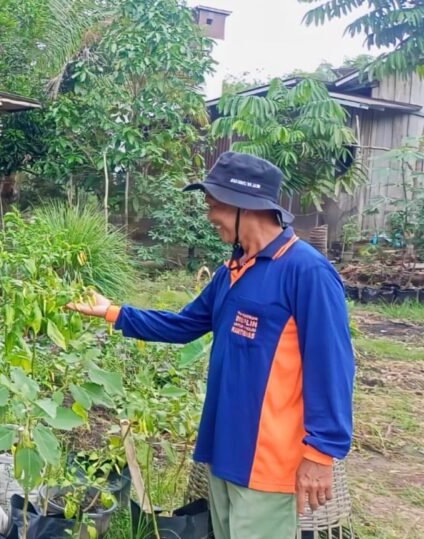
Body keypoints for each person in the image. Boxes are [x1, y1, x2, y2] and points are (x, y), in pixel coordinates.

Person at [69, 152, 355, 539]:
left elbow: (333, 367)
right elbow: (185, 324)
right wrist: (111, 312)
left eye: (214, 206)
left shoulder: (307, 272)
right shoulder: (234, 270)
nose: (210, 217)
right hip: (224, 449)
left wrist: (321, 454)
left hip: (267, 462)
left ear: (244, 206)